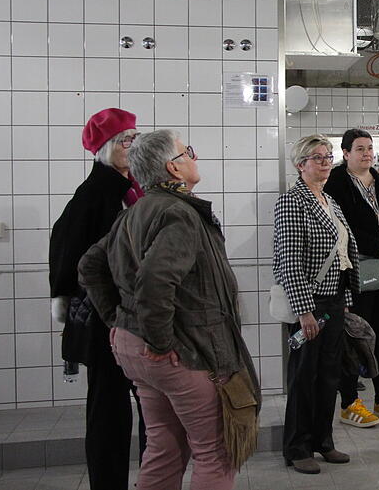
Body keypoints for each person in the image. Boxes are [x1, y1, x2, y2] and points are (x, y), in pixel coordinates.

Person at [79, 130, 260, 490]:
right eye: (187, 152)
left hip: (139, 350)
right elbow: (155, 280)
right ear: (173, 168)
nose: (194, 157)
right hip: (184, 351)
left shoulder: (134, 212)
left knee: (164, 448)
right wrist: (159, 340)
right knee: (217, 452)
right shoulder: (180, 214)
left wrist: (120, 321)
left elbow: (89, 266)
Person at [48, 107, 146, 490]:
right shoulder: (93, 195)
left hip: (136, 318)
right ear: (107, 147)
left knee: (151, 408)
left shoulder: (133, 190)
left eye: (135, 139)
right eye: (126, 141)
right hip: (106, 320)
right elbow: (69, 254)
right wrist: (65, 297)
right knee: (109, 411)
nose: (133, 146)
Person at [274, 135, 359, 474]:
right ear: (300, 164)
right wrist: (304, 311)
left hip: (334, 299)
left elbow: (343, 255)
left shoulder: (329, 201)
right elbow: (289, 261)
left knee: (328, 375)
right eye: (317, 158)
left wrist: (346, 301)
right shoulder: (292, 202)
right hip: (310, 302)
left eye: (328, 157)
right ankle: (297, 447)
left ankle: (323, 441)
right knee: (304, 376)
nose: (326, 162)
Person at [325, 129, 379, 426]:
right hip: (355, 273)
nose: (366, 154)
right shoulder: (336, 184)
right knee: (355, 335)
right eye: (360, 149)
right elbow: (342, 227)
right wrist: (378, 248)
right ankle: (350, 402)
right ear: (346, 153)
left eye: (369, 148)